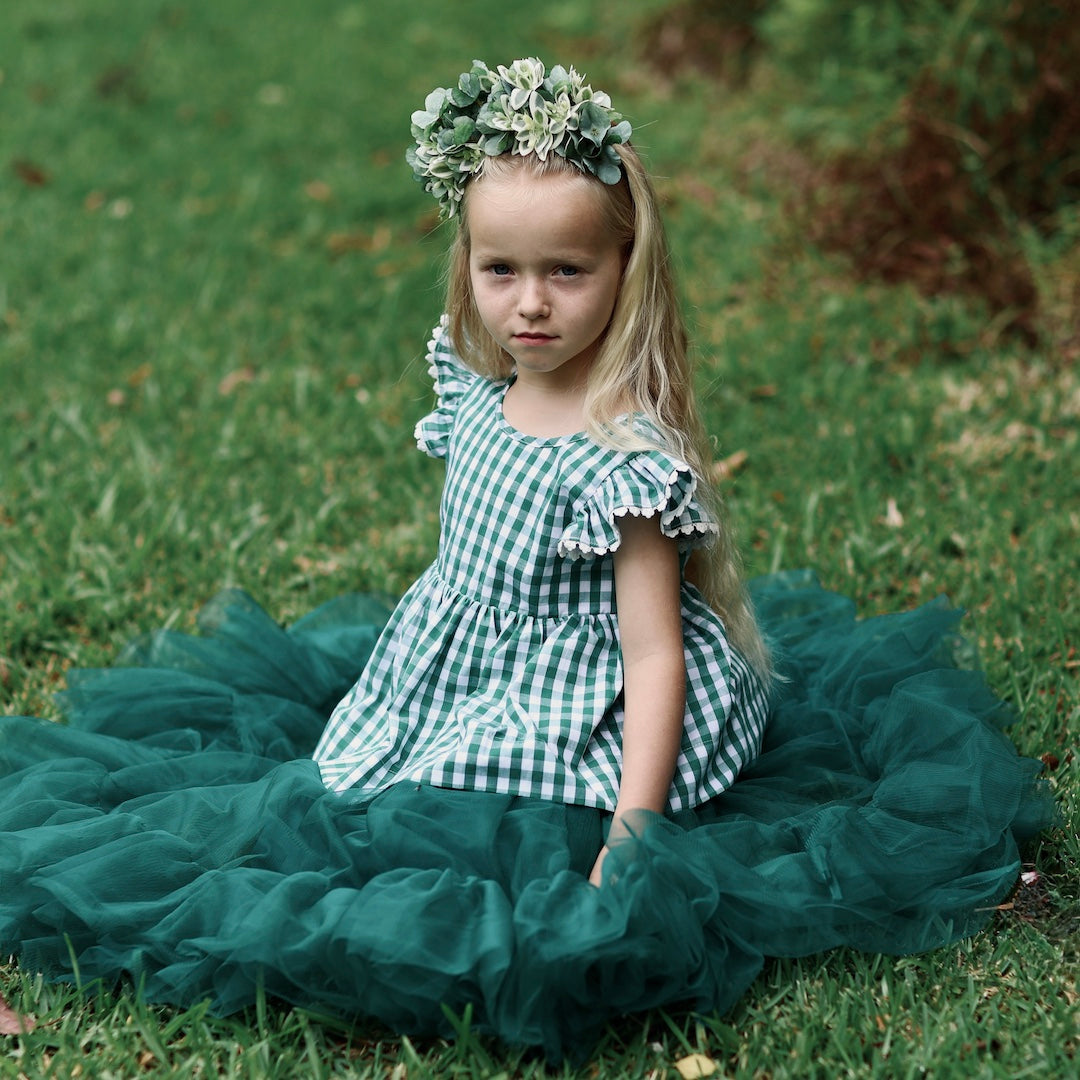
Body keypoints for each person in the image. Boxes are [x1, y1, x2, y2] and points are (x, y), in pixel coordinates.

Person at [0, 59, 1054, 1062]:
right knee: (343, 795)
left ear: (623, 270)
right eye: (500, 270)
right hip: (465, 664)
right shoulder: (474, 384)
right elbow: (478, 573)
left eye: (567, 272)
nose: (531, 304)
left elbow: (650, 657)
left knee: (480, 842)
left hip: (578, 700)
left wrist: (636, 830)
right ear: (467, 264)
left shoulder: (621, 459)